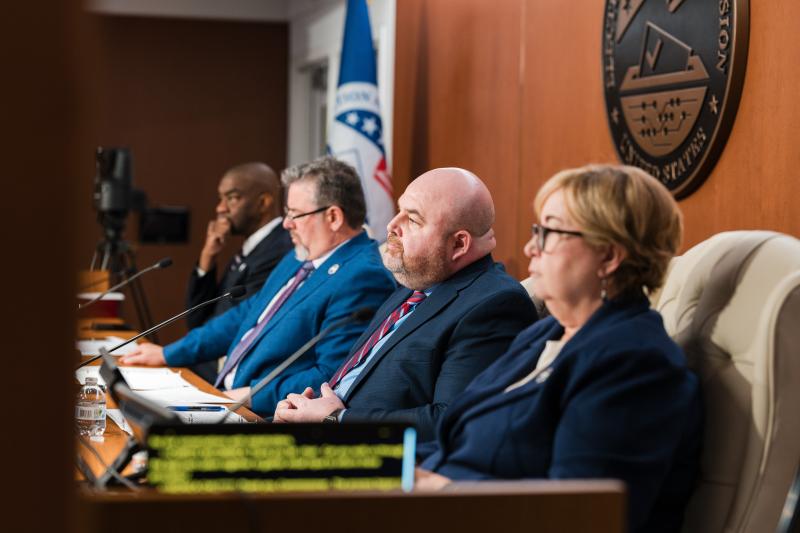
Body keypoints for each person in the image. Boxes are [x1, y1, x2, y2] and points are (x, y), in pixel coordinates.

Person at [416, 164, 702, 533]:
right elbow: (452, 446)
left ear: (609, 256)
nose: (529, 246)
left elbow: (579, 514)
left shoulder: (634, 363)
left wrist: (440, 490)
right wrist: (358, 465)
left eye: (549, 231)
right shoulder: (544, 334)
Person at [273, 168, 538, 441]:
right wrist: (304, 408)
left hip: (373, 462)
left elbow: (451, 420)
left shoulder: (494, 305)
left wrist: (337, 419)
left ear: (459, 244)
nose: (391, 226)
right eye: (399, 210)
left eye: (412, 219)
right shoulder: (413, 283)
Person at [120, 157, 396, 415]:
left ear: (333, 217)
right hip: (226, 397)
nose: (287, 224)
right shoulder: (299, 256)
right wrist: (167, 353)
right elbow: (246, 314)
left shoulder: (362, 277)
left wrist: (251, 395)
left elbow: (330, 374)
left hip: (262, 414)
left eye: (296, 214)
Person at [186, 162, 293, 382]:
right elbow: (197, 319)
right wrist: (208, 256)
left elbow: (231, 326)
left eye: (232, 198)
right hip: (206, 363)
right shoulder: (250, 248)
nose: (220, 208)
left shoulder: (280, 249)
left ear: (263, 202)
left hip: (227, 375)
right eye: (220, 198)